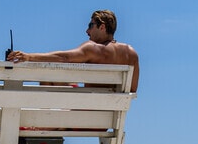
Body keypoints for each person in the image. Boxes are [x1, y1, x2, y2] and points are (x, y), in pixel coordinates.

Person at [7, 10, 140, 93]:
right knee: (63, 82)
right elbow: (132, 90)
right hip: (106, 121)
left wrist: (28, 56)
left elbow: (64, 57)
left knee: (47, 77)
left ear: (102, 27)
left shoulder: (92, 48)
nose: (87, 31)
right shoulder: (131, 53)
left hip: (82, 116)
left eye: (90, 26)